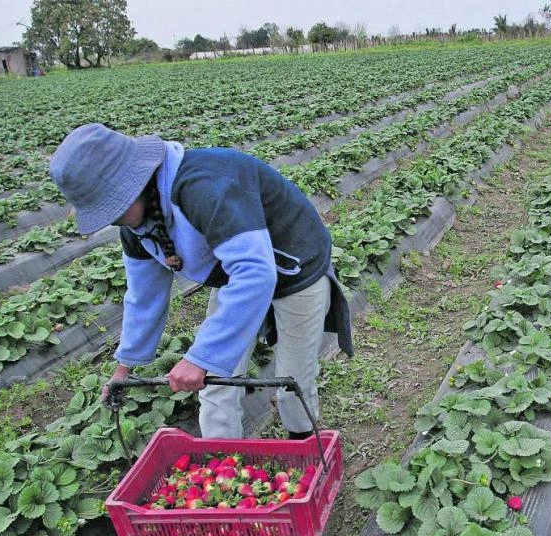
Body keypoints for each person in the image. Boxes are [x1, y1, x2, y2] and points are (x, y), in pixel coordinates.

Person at [49, 123, 353, 440]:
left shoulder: (205, 187)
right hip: (236, 273)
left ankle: (304, 449)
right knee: (214, 385)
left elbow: (256, 272)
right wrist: (124, 369)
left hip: (294, 266)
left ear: (135, 184)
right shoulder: (138, 225)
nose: (111, 219)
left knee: (293, 381)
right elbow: (143, 298)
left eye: (111, 207)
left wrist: (198, 358)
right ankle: (223, 470)